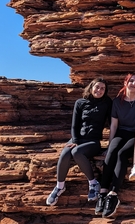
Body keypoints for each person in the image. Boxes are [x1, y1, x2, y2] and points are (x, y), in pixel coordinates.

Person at [46, 78, 112, 206]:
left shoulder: (107, 103)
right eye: (97, 87)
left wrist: (111, 144)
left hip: (93, 141)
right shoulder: (80, 102)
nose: (99, 90)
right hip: (77, 139)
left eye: (102, 88)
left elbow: (111, 123)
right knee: (65, 154)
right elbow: (74, 125)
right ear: (91, 87)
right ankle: (60, 186)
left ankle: (93, 183)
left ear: (105, 91)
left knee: (76, 152)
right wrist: (75, 140)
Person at [95, 73, 135, 219]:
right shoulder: (117, 102)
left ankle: (113, 194)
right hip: (121, 132)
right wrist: (110, 144)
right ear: (125, 82)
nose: (133, 84)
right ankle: (103, 191)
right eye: (131, 81)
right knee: (112, 151)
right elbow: (114, 125)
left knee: (121, 153)